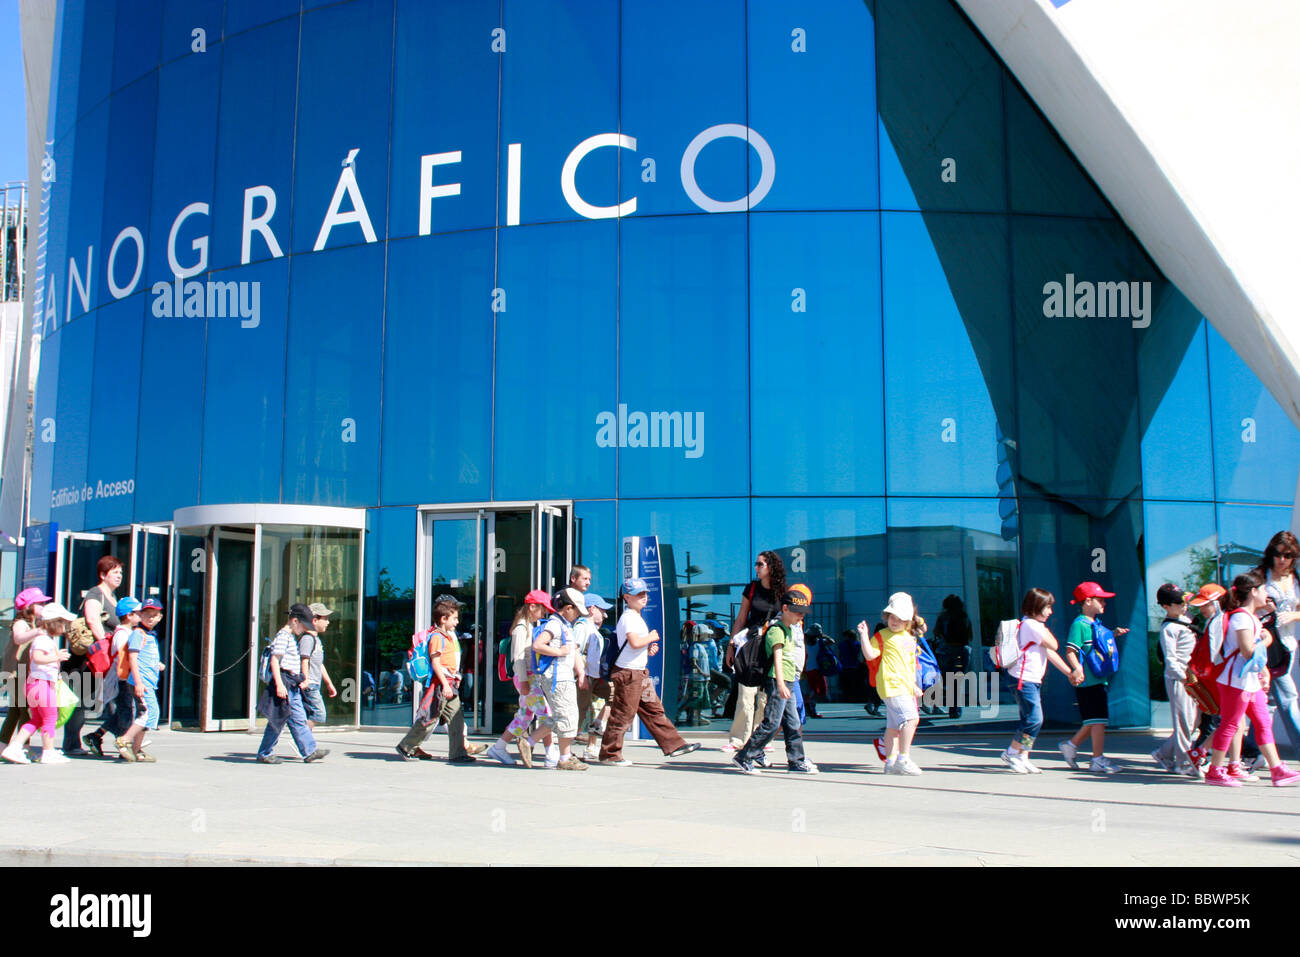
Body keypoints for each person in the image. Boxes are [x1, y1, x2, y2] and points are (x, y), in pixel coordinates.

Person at [1204, 571, 1300, 786]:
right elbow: (1248, 651)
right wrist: (1266, 640)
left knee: (1263, 721)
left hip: (1248, 680)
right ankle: (1215, 770)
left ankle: (1277, 769)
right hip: (1235, 681)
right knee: (1229, 724)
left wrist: (1263, 671)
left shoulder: (1250, 617)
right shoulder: (1241, 617)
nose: (1266, 593)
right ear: (1254, 591)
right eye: (1264, 589)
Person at [598, 578, 700, 766]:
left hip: (637, 672)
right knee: (623, 714)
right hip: (629, 673)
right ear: (627, 597)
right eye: (639, 594)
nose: (644, 597)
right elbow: (635, 642)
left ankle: (674, 745)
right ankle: (609, 754)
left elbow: (635, 645)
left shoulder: (635, 617)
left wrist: (648, 648)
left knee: (654, 710)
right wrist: (651, 637)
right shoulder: (629, 617)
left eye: (645, 593)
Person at [733, 586, 818, 775]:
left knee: (793, 722)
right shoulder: (776, 630)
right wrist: (780, 683)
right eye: (797, 612)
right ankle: (745, 756)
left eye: (803, 613)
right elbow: (778, 658)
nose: (800, 617)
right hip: (777, 681)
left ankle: (796, 760)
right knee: (772, 722)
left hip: (787, 681)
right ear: (785, 609)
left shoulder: (788, 629)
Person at [1000, 588, 1083, 773]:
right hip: (1023, 680)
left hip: (1030, 680)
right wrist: (1044, 628)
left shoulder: (1031, 626)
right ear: (1036, 606)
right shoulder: (1031, 625)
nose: (1050, 612)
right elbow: (1054, 644)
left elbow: (1049, 652)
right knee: (1034, 719)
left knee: (1030, 720)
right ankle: (1011, 752)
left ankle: (1023, 755)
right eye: (1047, 607)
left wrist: (1069, 672)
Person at [1058, 581, 1129, 774]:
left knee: (1094, 720)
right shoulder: (1079, 625)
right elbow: (1070, 650)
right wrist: (1077, 669)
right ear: (1088, 601)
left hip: (1097, 679)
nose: (1104, 604)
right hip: (1088, 681)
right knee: (1098, 721)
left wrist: (1113, 634)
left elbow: (1097, 645)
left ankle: (1071, 746)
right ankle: (1097, 759)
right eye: (1101, 600)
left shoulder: (1094, 624)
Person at [395, 597, 473, 764]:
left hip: (450, 683)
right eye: (454, 618)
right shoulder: (437, 637)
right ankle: (406, 746)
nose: (457, 622)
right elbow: (435, 663)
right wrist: (445, 684)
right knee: (430, 717)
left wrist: (455, 678)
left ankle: (458, 753)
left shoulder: (448, 636)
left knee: (456, 717)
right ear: (443, 619)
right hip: (441, 684)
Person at [486, 590, 557, 767]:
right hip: (526, 679)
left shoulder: (526, 626)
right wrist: (524, 681)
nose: (544, 614)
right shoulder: (521, 628)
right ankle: (550, 754)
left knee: (525, 716)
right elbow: (517, 658)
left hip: (527, 678)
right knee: (546, 715)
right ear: (532, 607)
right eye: (542, 610)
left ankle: (500, 746)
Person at [725, 551, 785, 753]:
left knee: (765, 695)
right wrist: (731, 645)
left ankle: (761, 738)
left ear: (771, 567)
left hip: (771, 644)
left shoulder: (783, 591)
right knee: (745, 692)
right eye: (756, 564)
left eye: (760, 564)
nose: (756, 568)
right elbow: (742, 617)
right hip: (751, 643)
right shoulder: (751, 589)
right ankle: (738, 739)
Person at [858, 594, 924, 775]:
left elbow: (910, 665)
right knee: (911, 719)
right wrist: (864, 636)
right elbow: (870, 655)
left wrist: (913, 686)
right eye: (892, 617)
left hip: (901, 686)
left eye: (899, 618)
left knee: (893, 726)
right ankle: (903, 759)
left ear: (907, 620)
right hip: (892, 685)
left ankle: (891, 762)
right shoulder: (882, 636)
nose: (894, 621)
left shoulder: (909, 638)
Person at [2, 602, 75, 764]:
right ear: (54, 623)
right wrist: (57, 657)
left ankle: (14, 747)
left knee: (36, 720)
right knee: (50, 718)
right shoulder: (43, 640)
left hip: (37, 685)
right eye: (63, 623)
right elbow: (37, 658)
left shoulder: (45, 639)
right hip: (41, 685)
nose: (65, 627)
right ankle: (48, 752)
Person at [257, 604, 329, 765]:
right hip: (285, 682)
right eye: (303, 625)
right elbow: (275, 662)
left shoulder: (289, 637)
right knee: (278, 720)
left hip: (292, 684)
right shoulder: (283, 636)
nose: (304, 629)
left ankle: (309, 751)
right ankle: (265, 752)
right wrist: (280, 685)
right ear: (295, 621)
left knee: (298, 718)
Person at [531, 588, 590, 771]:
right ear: (568, 608)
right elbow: (537, 645)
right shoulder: (555, 624)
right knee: (566, 716)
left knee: (564, 717)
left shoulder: (566, 626)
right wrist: (559, 652)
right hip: (557, 678)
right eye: (577, 610)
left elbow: (574, 653)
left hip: (564, 677)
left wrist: (580, 672)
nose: (579, 614)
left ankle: (530, 741)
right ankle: (564, 758)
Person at [69, 555, 122, 756]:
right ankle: (71, 744)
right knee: (82, 700)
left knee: (113, 697)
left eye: (120, 573)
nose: (119, 576)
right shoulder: (95, 593)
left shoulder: (113, 597)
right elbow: (92, 620)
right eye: (115, 572)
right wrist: (104, 646)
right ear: (103, 574)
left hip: (106, 656)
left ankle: (121, 739)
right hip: (90, 658)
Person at [1150, 584, 1203, 777]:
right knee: (1183, 723)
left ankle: (1163, 753)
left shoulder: (1185, 619)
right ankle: (1183, 763)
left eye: (1185, 600)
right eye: (1179, 602)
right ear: (1166, 606)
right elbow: (1171, 659)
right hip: (1179, 679)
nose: (1184, 605)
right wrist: (1183, 678)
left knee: (1193, 721)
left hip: (1192, 676)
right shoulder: (1169, 628)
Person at [1256, 532, 1300, 762]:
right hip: (1264, 647)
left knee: (1266, 702)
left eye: (1287, 555)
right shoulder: (1260, 577)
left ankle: (1254, 752)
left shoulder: (1295, 579)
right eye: (1277, 554)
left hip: (1287, 647)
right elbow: (1244, 605)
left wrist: (1293, 615)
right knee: (1287, 697)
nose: (1282, 559)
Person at [0, 588, 53, 748]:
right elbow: (18, 638)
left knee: (16, 711)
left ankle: (3, 746)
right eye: (40, 603)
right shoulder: (21, 623)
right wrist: (37, 632)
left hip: (22, 673)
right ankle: (23, 747)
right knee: (26, 711)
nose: (44, 605)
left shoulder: (32, 624)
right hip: (16, 674)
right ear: (29, 606)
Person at [114, 598, 164, 763]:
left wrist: (156, 665)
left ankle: (136, 749)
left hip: (148, 681)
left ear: (159, 617)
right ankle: (125, 740)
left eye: (154, 615)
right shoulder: (138, 633)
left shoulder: (150, 635)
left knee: (149, 713)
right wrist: (139, 682)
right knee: (148, 713)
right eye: (147, 614)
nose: (150, 618)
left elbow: (145, 657)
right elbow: (133, 658)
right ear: (140, 615)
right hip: (142, 682)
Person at [576, 592, 614, 762]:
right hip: (584, 675)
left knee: (615, 696)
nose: (605, 614)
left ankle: (596, 730)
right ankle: (563, 749)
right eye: (601, 609)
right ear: (591, 609)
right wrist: (580, 674)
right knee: (579, 711)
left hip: (594, 676)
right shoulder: (582, 626)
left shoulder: (593, 628)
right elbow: (574, 650)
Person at [299, 603, 338, 729]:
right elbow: (304, 660)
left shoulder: (316, 640)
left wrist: (328, 683)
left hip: (314, 683)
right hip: (309, 685)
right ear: (314, 620)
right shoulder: (307, 639)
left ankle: (306, 743)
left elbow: (319, 663)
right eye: (325, 619)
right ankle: (303, 737)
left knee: (311, 714)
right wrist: (305, 680)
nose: (328, 622)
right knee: (319, 714)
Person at [934, 595, 973, 719]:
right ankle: (955, 710)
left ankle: (938, 703)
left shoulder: (943, 617)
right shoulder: (964, 616)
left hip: (946, 651)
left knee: (945, 679)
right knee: (957, 681)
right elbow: (969, 635)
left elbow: (936, 632)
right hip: (961, 650)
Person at [801, 623, 826, 719]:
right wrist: (822, 635)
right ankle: (811, 708)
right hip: (816, 670)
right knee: (815, 691)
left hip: (806, 669)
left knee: (808, 690)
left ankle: (808, 707)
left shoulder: (804, 643)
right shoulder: (820, 642)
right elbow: (832, 641)